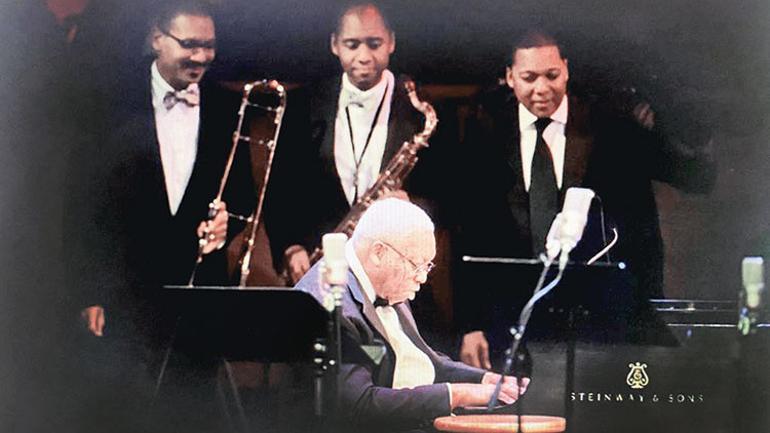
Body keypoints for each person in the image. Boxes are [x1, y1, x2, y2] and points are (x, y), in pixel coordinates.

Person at [456, 30, 716, 368]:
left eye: (552, 75)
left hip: (603, 316)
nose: (541, 88)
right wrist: (472, 324)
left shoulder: (610, 125)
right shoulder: (486, 131)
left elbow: (695, 179)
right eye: (529, 78)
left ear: (566, 69)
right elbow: (470, 230)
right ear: (509, 77)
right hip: (514, 319)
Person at [295, 198, 529, 433]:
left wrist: (483, 379)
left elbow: (424, 360)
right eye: (417, 265)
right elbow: (359, 405)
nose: (423, 278)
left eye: (428, 266)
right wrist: (457, 394)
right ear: (378, 252)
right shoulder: (329, 303)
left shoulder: (386, 283)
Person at [265, 2, 451, 286]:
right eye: (352, 45)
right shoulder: (303, 105)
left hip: (396, 273)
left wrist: (411, 204)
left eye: (374, 44)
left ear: (391, 42)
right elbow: (280, 190)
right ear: (335, 45)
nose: (363, 56)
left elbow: (451, 195)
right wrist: (290, 246)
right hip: (319, 272)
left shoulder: (422, 110)